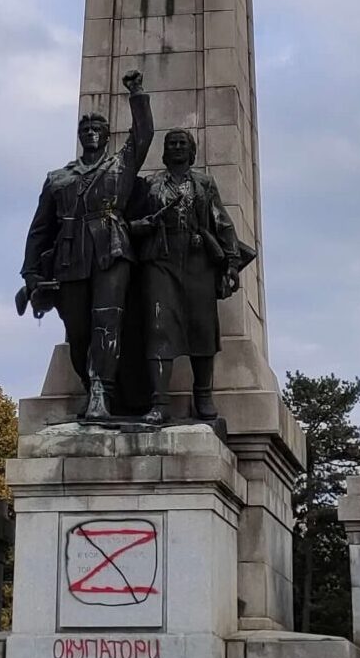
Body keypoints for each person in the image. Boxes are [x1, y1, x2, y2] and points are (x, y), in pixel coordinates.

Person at [21, 71, 153, 420]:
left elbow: (143, 135)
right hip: (71, 257)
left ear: (107, 138)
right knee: (78, 330)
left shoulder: (120, 165)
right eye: (86, 131)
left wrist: (136, 94)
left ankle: (101, 393)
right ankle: (89, 381)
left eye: (97, 131)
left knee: (106, 324)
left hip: (111, 250)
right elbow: (39, 230)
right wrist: (30, 273)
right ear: (80, 138)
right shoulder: (59, 178)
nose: (91, 135)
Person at [126, 128, 256, 424]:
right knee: (159, 327)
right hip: (160, 258)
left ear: (191, 150)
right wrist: (141, 226)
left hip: (197, 260)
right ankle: (159, 401)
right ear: (165, 150)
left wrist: (232, 262)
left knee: (202, 327)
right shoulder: (151, 184)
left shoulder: (204, 184)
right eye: (171, 144)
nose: (176, 147)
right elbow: (132, 223)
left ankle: (203, 395)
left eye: (182, 143)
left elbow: (222, 222)